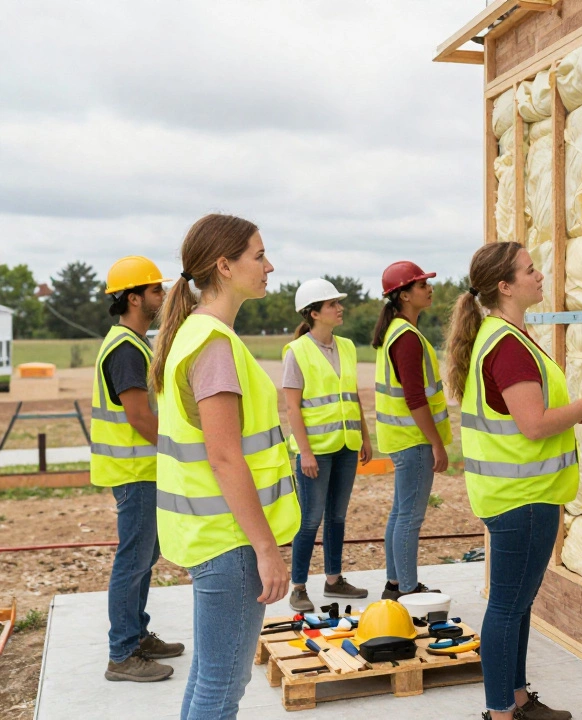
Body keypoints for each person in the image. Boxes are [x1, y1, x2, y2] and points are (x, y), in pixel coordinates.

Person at [445, 241, 582, 720]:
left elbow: (531, 416)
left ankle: (518, 699)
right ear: (504, 286)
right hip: (522, 499)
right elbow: (534, 424)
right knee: (506, 607)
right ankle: (502, 711)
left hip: (515, 495)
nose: (539, 275)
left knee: (517, 604)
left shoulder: (504, 336)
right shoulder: (507, 346)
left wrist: (578, 413)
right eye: (529, 270)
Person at [150, 214, 301, 720]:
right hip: (231, 543)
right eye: (258, 256)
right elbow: (223, 456)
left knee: (207, 680)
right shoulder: (214, 346)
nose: (269, 266)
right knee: (220, 690)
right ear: (224, 265)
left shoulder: (194, 335)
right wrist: (266, 549)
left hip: (212, 536)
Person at [93, 256, 185, 683]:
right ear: (133, 298)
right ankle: (122, 654)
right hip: (137, 474)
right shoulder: (127, 349)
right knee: (133, 561)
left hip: (142, 472)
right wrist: (176, 453)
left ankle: (137, 635)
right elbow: (139, 417)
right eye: (155, 291)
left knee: (144, 558)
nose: (162, 297)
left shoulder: (135, 342)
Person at [282, 278, 373, 612]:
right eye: (333, 304)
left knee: (337, 517)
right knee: (309, 520)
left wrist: (364, 436)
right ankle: (299, 587)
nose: (340, 308)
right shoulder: (297, 352)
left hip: (347, 445)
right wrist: (305, 452)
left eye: (338, 303)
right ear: (314, 313)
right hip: (315, 452)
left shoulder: (346, 347)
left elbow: (353, 396)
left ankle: (334, 581)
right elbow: (292, 408)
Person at [372, 261, 451, 600]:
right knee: (410, 518)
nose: (429, 288)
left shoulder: (398, 331)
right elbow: (415, 398)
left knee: (400, 512)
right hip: (414, 440)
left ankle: (395, 584)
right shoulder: (406, 338)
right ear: (404, 295)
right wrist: (437, 444)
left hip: (401, 439)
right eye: (421, 285)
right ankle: (406, 589)